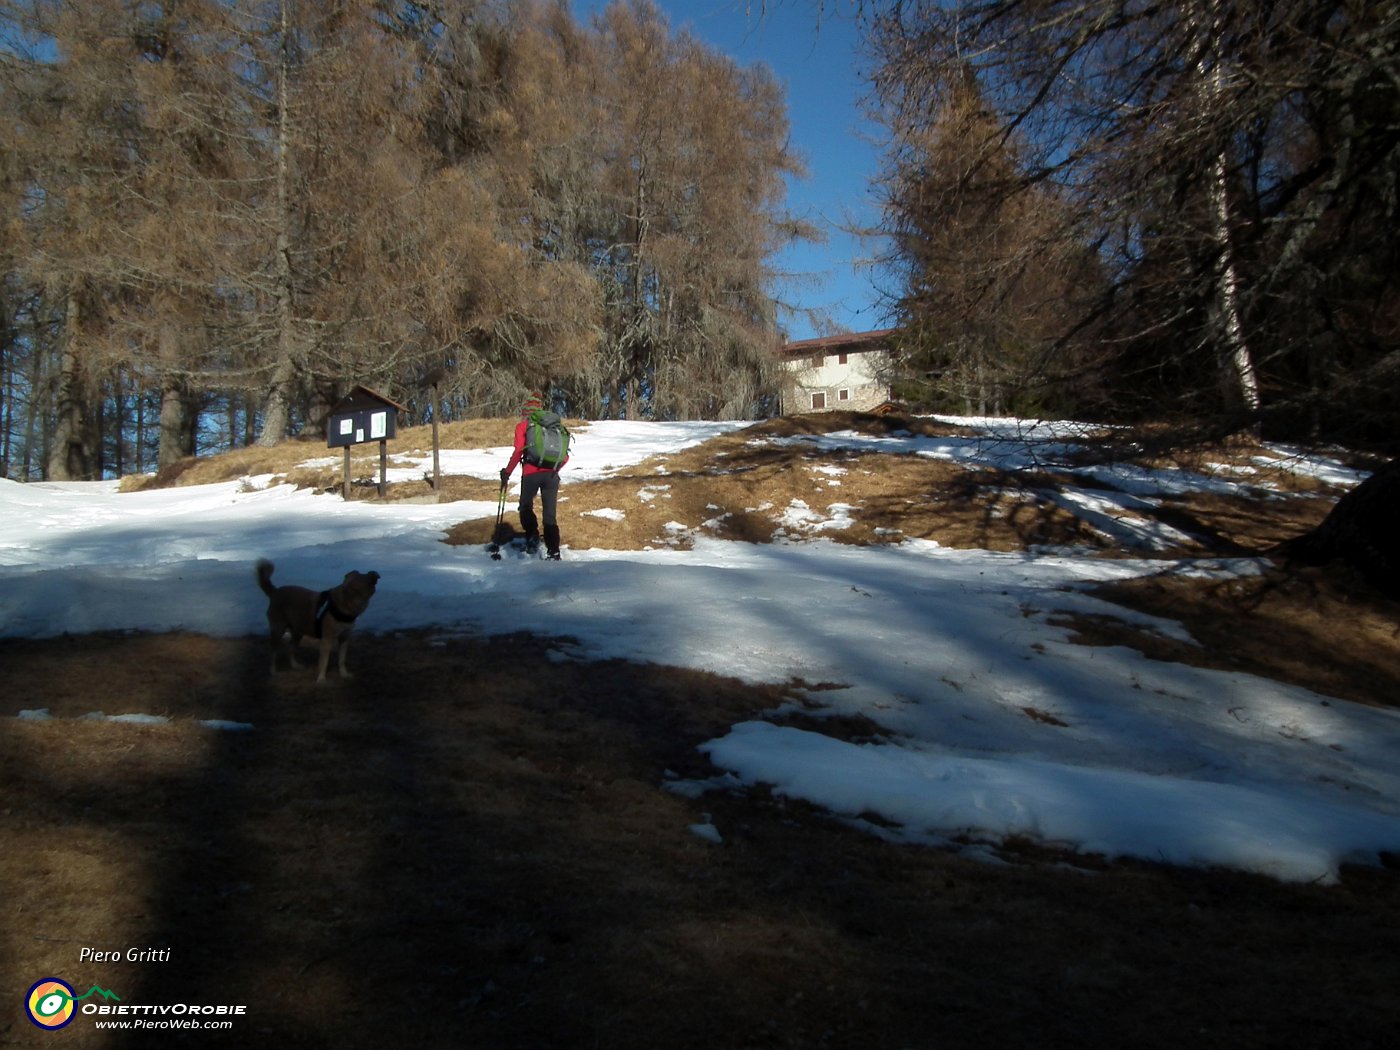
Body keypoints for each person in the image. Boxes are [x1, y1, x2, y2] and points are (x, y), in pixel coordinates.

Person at [500, 393, 568, 559]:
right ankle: (554, 550)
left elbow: (518, 451)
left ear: (525, 411)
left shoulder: (523, 426)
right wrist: (553, 468)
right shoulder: (553, 428)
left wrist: (507, 472)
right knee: (550, 514)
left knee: (525, 505)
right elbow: (565, 456)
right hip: (551, 475)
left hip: (531, 473)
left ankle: (532, 537)